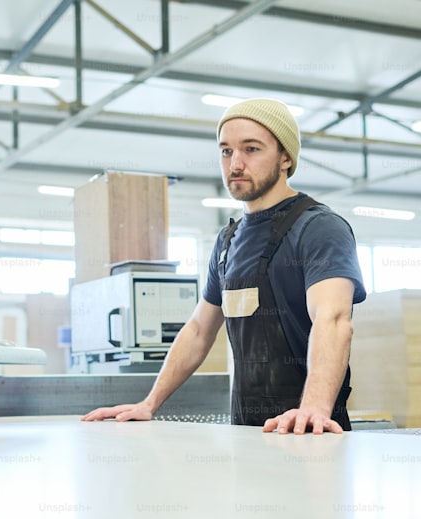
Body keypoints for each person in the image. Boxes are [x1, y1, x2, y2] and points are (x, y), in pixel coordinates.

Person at [82, 98, 367, 434]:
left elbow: (333, 319)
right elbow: (199, 331)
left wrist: (313, 410)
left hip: (310, 434)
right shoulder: (227, 241)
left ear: (286, 158)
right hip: (247, 434)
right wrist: (149, 403)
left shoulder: (318, 228)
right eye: (226, 151)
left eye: (251, 149)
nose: (236, 164)